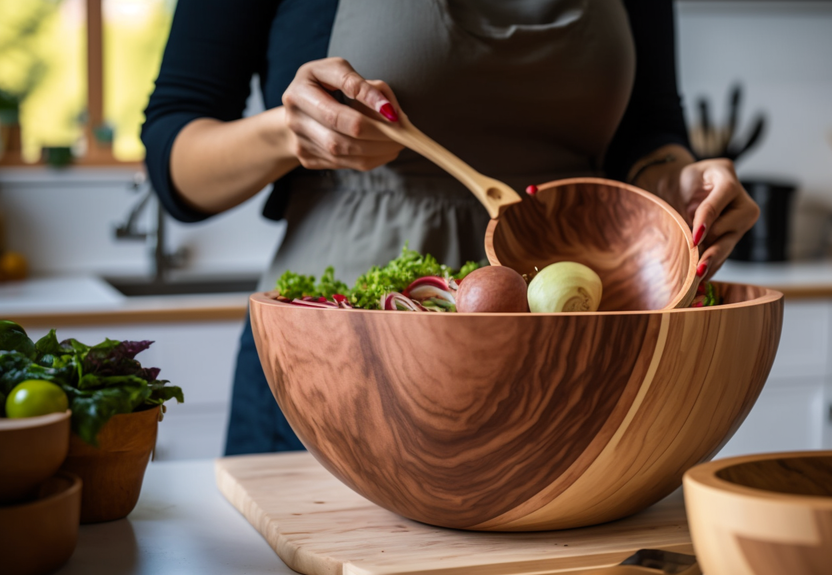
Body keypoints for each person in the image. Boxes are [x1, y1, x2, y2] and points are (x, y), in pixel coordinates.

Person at [142, 0, 760, 456]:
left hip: (571, 360)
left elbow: (649, 132)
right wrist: (288, 131)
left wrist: (677, 180)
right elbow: (176, 165)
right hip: (338, 363)